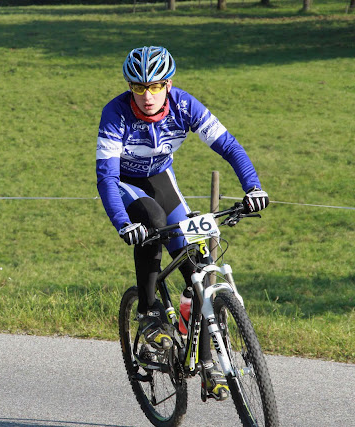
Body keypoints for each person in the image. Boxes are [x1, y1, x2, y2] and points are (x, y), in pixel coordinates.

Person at [95, 46, 269, 400]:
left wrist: (253, 187)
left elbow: (229, 146)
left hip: (161, 180)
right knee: (152, 222)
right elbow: (106, 177)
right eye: (139, 87)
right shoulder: (115, 113)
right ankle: (147, 313)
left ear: (168, 84)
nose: (147, 96)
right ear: (130, 87)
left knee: (197, 266)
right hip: (126, 184)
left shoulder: (185, 105)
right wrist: (122, 223)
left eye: (155, 86)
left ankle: (206, 364)